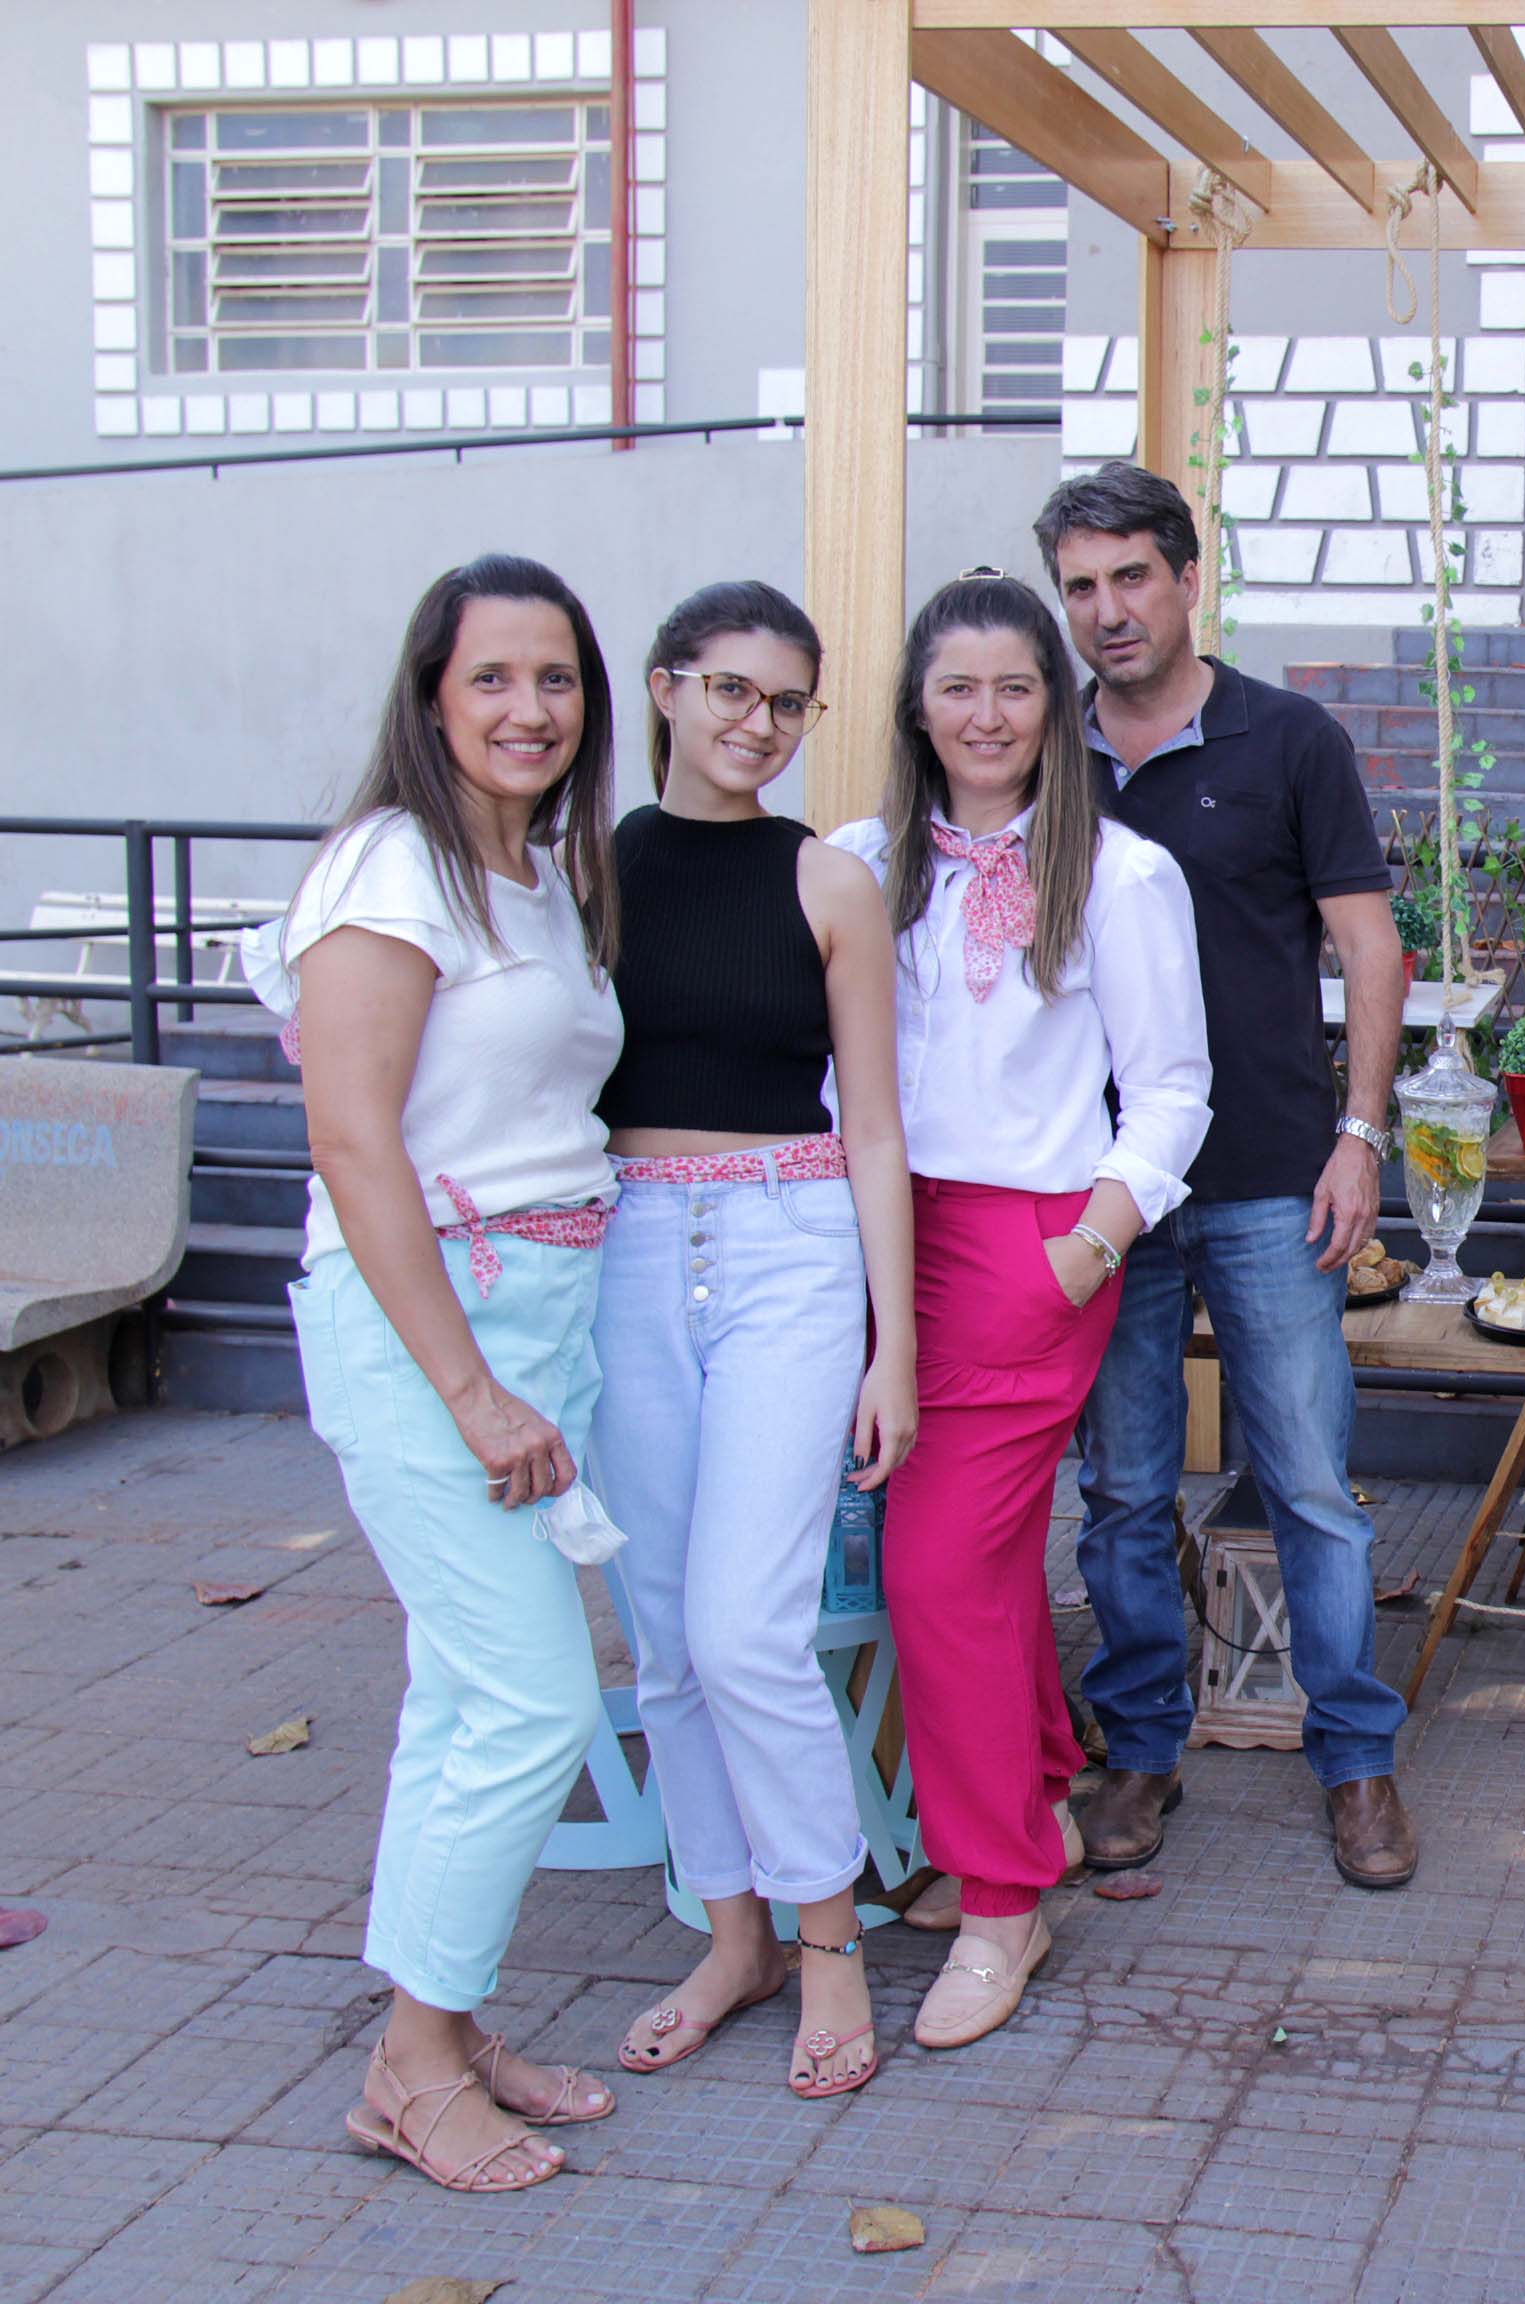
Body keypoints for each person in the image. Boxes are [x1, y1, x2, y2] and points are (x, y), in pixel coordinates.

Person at [248, 556, 627, 2191]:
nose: (529, 709)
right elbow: (353, 1142)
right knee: (536, 1703)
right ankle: (410, 2068)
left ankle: (445, 2029)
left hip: (538, 1314)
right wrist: (473, 1390)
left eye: (555, 679)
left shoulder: (536, 872)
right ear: (430, 696)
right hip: (431, 1339)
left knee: (467, 1696)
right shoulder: (387, 868)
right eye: (492, 678)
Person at [828, 571, 1212, 2049]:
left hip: (1025, 1253)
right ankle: (1038, 1805)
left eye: (1014, 686)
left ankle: (1002, 1900)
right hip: (873, 1236)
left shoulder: (1119, 873)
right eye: (958, 688)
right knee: (965, 1573)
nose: (986, 715)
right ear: (917, 709)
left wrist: (1091, 1245)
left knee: (939, 1570)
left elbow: (1171, 1085)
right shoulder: (857, 863)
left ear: (1054, 708)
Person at [1031, 463, 1419, 1890]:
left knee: (1309, 1481)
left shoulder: (1289, 739)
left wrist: (1361, 1136)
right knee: (1125, 1490)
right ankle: (1142, 1748)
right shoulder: (1043, 755)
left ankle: (1356, 1757)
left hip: (1269, 1174)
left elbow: (1370, 950)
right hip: (1105, 1188)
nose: (1108, 610)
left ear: (1189, 578)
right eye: (1080, 587)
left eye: (1132, 576)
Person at [590, 582, 915, 2099]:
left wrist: (892, 1347)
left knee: (744, 1630)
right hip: (622, 1250)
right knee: (666, 1636)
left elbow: (876, 1131)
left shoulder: (829, 882)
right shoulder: (582, 876)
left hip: (789, 1247)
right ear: (666, 687)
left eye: (789, 702)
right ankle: (735, 1938)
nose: (759, 724)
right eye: (731, 690)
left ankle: (828, 1937)